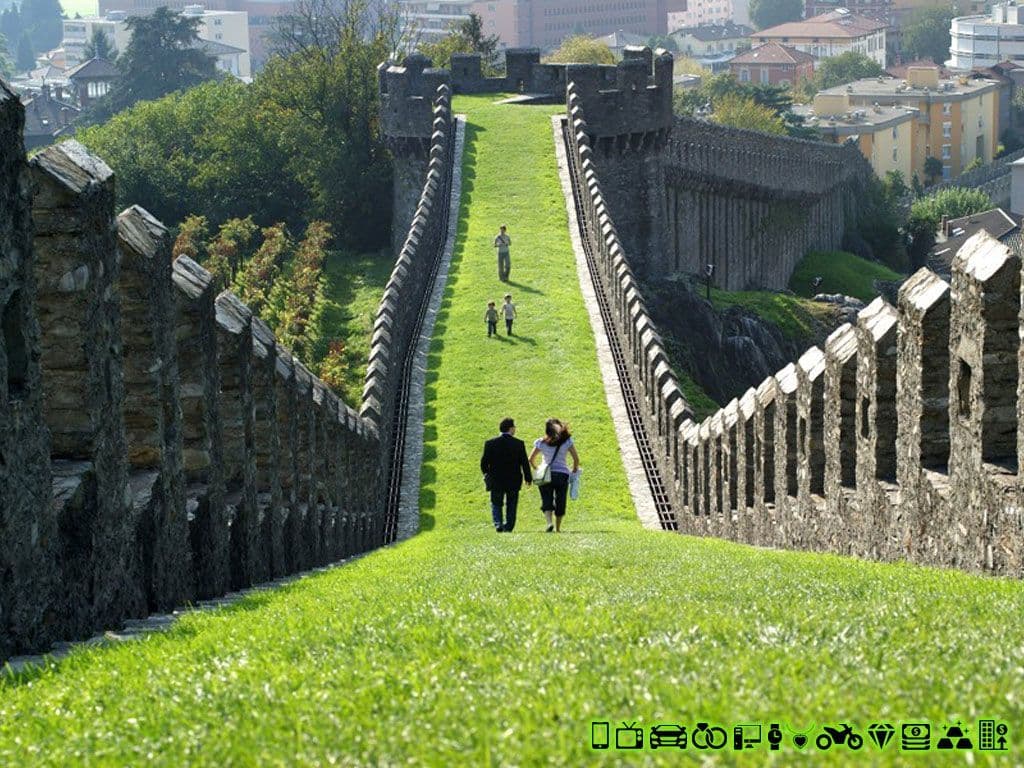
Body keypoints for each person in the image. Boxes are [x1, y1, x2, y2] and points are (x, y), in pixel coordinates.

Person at [480, 417, 533, 532]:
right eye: (514, 427)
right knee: (512, 504)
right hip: (513, 479)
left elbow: (484, 462)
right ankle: (509, 526)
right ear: (511, 428)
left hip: (496, 479)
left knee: (496, 503)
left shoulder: (490, 443)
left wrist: (487, 474)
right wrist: (528, 477)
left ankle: (498, 523)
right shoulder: (518, 444)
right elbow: (524, 463)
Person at [529, 418, 580, 533]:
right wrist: (574, 471)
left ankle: (549, 523)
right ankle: (558, 528)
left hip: (546, 475)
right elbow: (576, 459)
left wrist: (537, 469)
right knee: (560, 500)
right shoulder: (567, 441)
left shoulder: (541, 442)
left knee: (546, 499)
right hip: (562, 475)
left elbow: (530, 459)